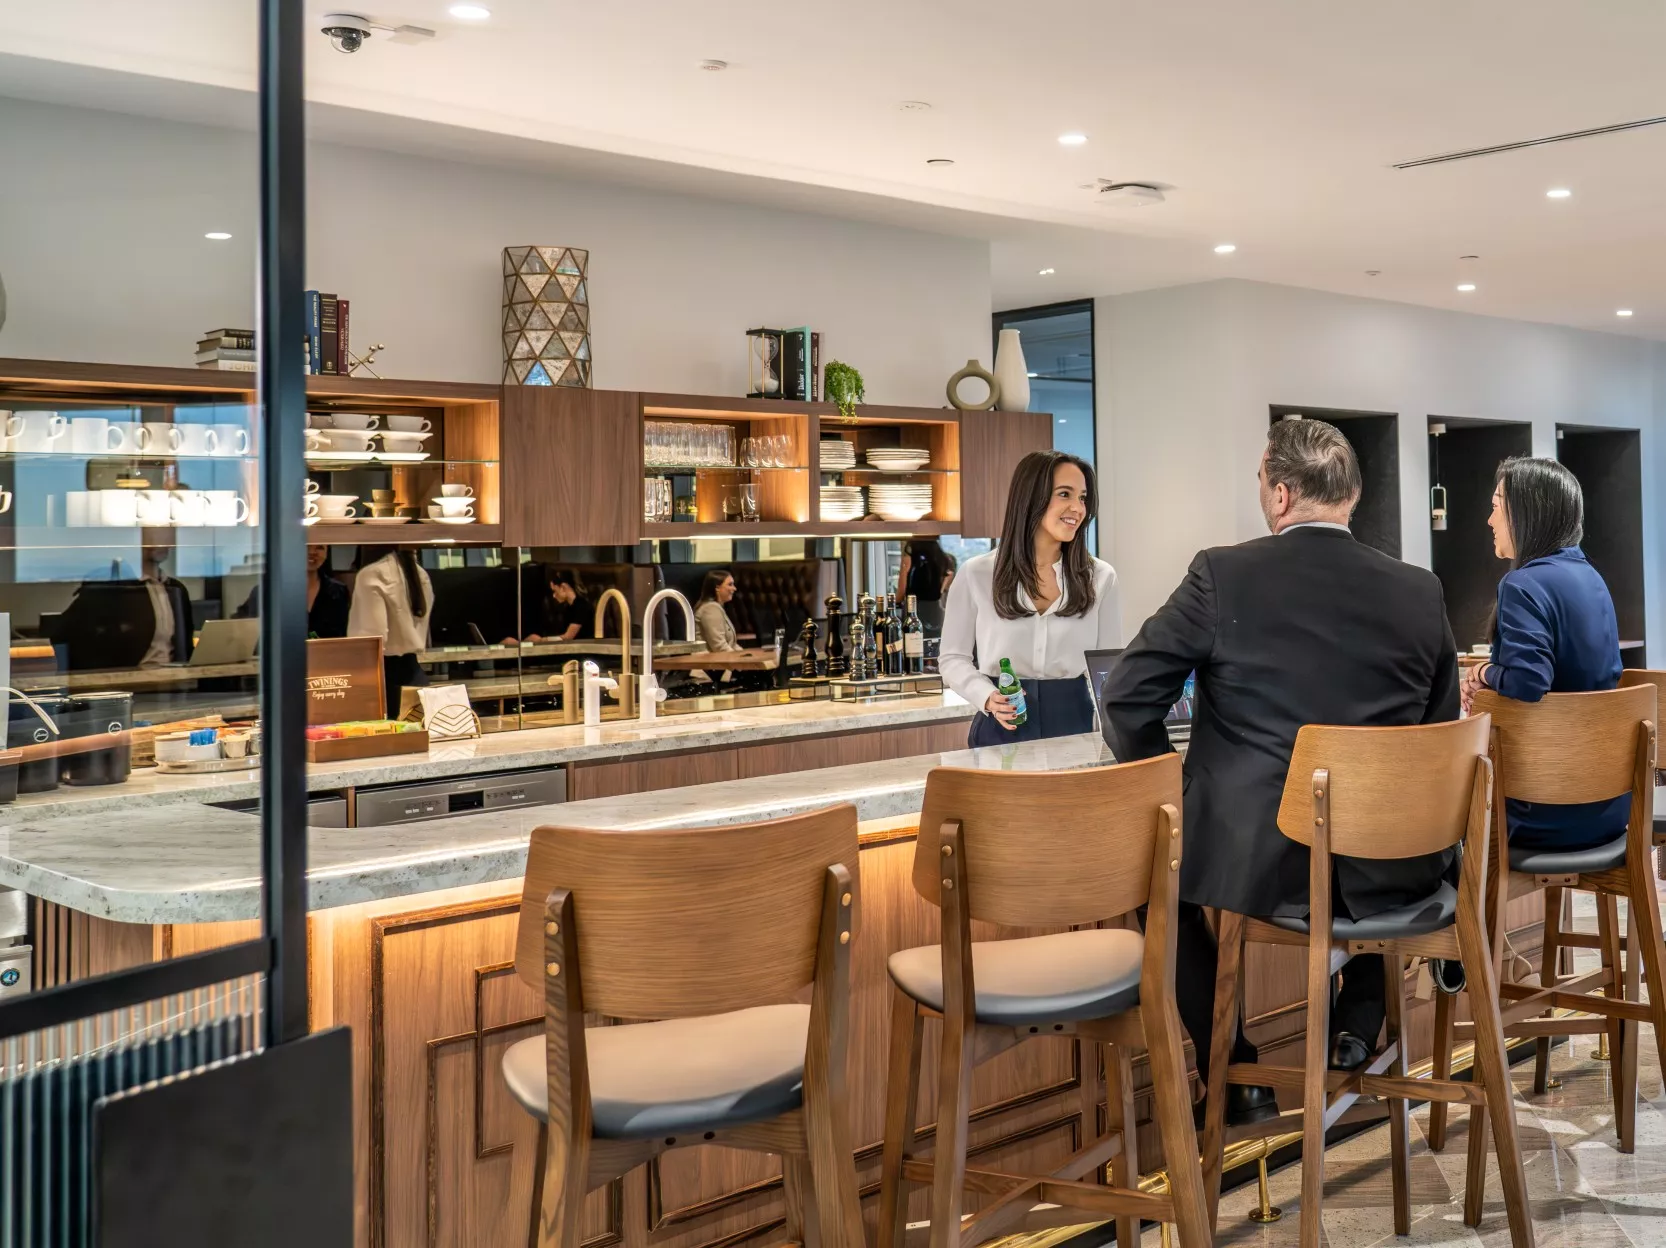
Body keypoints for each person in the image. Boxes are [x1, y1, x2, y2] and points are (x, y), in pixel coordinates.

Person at [1101, 418, 1460, 1124]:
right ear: (1351, 496)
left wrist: (1171, 789)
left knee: (1155, 879)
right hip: (1397, 862)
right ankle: (1358, 1016)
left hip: (1263, 861)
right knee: (1359, 861)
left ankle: (1233, 1069)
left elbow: (1126, 697)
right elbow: (1440, 735)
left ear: (1281, 495)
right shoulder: (1420, 590)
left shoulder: (1222, 574)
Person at [1462, 457, 1625, 849]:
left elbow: (1529, 681)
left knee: (1437, 810)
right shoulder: (1592, 578)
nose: (1489, 520)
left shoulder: (1522, 585)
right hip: (1608, 806)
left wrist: (1482, 673)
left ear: (1526, 513)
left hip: (1543, 809)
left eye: (1496, 506)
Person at [940, 450, 1120, 746]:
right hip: (1000, 725)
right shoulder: (977, 574)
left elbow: (1107, 670)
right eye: (1065, 494)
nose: (1077, 508)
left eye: (1083, 498)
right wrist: (986, 696)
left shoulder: (1101, 577)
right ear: (1030, 498)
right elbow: (952, 658)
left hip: (1074, 725)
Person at [348, 546, 433, 717]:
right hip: (415, 674)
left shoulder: (371, 574)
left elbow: (372, 638)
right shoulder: (420, 572)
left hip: (383, 678)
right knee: (417, 731)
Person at [235, 545, 349, 639]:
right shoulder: (266, 592)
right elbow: (251, 636)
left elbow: (342, 636)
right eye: (305, 546)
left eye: (320, 548)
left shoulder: (339, 591)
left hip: (327, 658)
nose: (312, 552)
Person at [896, 538, 956, 633]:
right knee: (935, 639)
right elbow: (945, 588)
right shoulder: (943, 559)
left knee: (913, 639)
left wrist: (892, 604)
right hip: (937, 612)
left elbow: (901, 591)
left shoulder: (909, 560)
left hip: (914, 610)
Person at [533, 569, 594, 643]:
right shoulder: (568, 609)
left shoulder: (581, 606)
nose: (554, 595)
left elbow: (568, 637)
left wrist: (541, 640)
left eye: (555, 591)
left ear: (563, 587)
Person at [694, 569, 739, 653]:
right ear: (717, 588)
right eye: (730, 584)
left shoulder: (716, 607)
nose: (734, 588)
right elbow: (720, 647)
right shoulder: (710, 608)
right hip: (709, 661)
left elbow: (732, 645)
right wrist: (741, 659)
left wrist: (746, 655)